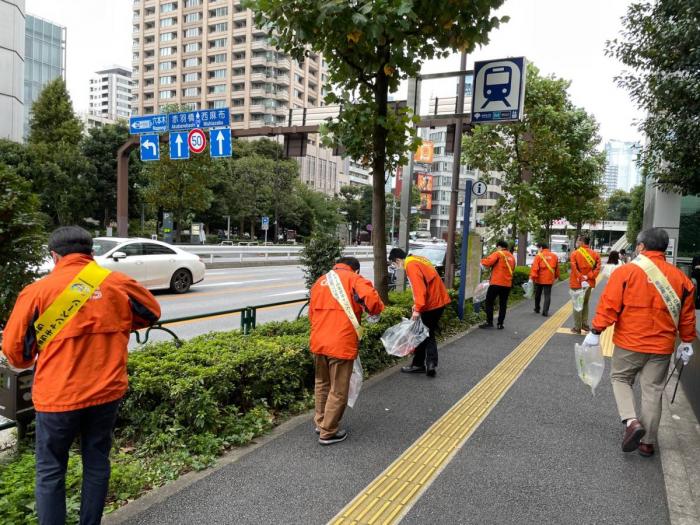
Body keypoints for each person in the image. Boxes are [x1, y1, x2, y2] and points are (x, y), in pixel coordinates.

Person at [2, 226, 161, 525]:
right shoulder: (118, 283)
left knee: (50, 470)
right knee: (97, 461)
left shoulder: (37, 292)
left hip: (57, 398)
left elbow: (15, 353)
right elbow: (151, 311)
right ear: (91, 253)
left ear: (54, 257)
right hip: (106, 393)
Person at [585, 228, 696, 456]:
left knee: (620, 378)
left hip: (630, 341)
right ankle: (647, 442)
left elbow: (610, 305)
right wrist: (686, 341)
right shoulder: (681, 279)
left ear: (641, 247)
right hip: (662, 346)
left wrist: (596, 330)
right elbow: (687, 315)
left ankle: (631, 421)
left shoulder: (626, 272)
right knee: (653, 389)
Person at [309, 257, 384, 445]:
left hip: (318, 342)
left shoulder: (320, 281)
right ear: (356, 270)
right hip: (341, 343)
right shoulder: (355, 279)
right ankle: (328, 431)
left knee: (322, 383)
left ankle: (321, 423)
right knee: (339, 389)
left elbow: (311, 314)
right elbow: (373, 303)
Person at [388, 248, 451, 377]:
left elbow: (419, 288)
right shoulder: (419, 259)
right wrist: (417, 305)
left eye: (394, 264)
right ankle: (423, 364)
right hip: (438, 300)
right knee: (424, 333)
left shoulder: (410, 265)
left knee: (426, 333)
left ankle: (426, 364)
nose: (396, 267)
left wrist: (417, 309)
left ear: (398, 260)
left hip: (431, 304)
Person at [479, 240, 516, 329]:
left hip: (496, 283)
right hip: (507, 284)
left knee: (489, 301)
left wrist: (480, 260)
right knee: (503, 304)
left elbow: (488, 262)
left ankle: (489, 322)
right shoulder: (512, 257)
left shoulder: (498, 253)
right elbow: (513, 268)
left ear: (499, 246)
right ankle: (500, 324)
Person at [569, 235, 602, 334]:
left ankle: (577, 327)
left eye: (578, 241)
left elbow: (574, 268)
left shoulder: (575, 253)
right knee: (585, 303)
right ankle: (584, 324)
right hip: (589, 283)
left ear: (582, 242)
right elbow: (597, 268)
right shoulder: (595, 254)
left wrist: (580, 277)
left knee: (577, 304)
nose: (577, 242)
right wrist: (588, 277)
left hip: (577, 283)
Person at [528, 242, 560, 317]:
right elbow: (556, 268)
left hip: (539, 279)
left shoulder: (539, 256)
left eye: (538, 248)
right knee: (547, 295)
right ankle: (545, 311)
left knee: (537, 294)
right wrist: (557, 276)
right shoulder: (554, 256)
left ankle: (537, 308)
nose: (538, 250)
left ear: (541, 247)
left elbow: (535, 268)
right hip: (549, 279)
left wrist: (532, 278)